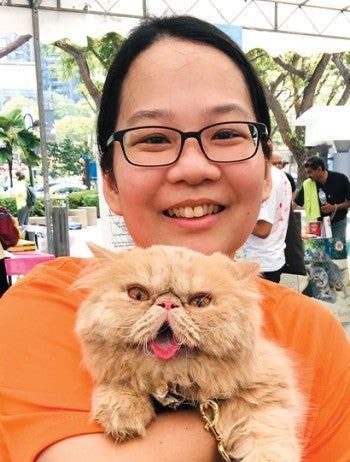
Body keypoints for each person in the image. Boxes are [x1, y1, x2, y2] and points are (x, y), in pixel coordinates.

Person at [0, 15, 349, 462]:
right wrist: (254, 398)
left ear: (266, 171)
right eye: (153, 138)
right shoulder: (45, 301)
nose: (193, 168)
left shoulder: (315, 331)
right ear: (109, 181)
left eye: (225, 133)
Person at [243, 165, 292, 283]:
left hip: (262, 261)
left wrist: (235, 217)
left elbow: (263, 230)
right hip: (271, 257)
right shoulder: (280, 175)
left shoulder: (267, 181)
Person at [293, 155, 350, 239]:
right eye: (306, 172)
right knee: (320, 250)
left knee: (337, 250)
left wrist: (334, 207)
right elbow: (295, 203)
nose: (307, 176)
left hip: (338, 222)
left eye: (310, 172)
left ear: (319, 169)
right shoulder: (308, 184)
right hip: (319, 224)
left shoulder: (340, 179)